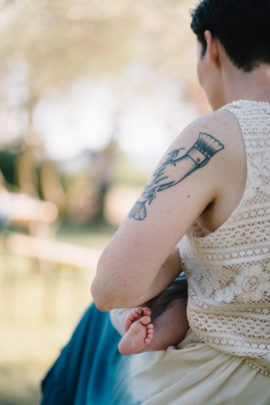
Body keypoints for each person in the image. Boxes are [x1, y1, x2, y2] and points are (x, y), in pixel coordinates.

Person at [41, 1, 270, 404]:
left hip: (215, 383)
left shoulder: (220, 134)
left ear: (211, 47)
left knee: (97, 326)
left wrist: (180, 256)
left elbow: (111, 287)